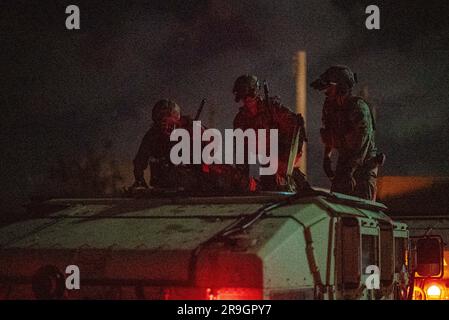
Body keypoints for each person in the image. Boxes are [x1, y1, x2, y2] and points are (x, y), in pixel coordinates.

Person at [310, 65, 382, 200]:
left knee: (362, 210)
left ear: (341, 88)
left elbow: (362, 143)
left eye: (329, 87)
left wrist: (350, 170)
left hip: (364, 167)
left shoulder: (358, 108)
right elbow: (329, 133)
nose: (326, 91)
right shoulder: (331, 107)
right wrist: (327, 158)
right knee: (337, 205)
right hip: (345, 163)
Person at [232, 74, 309, 192]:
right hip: (267, 160)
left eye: (250, 95)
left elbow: (295, 128)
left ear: (256, 93)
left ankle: (303, 189)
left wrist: (285, 162)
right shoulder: (241, 120)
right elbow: (241, 150)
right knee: (267, 187)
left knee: (290, 183)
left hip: (282, 155)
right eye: (244, 96)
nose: (247, 99)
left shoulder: (272, 110)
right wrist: (241, 177)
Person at [131, 99, 203, 191]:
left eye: (168, 115)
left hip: (192, 178)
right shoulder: (152, 135)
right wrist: (139, 179)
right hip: (164, 181)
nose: (164, 121)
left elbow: (207, 148)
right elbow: (140, 160)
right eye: (161, 116)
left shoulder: (190, 128)